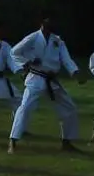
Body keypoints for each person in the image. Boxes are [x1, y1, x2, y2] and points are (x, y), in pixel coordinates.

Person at [9, 18, 84, 153]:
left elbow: (66, 59)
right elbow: (14, 52)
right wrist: (29, 60)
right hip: (36, 78)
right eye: (46, 22)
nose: (49, 25)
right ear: (41, 24)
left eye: (51, 23)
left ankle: (66, 142)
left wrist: (75, 72)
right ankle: (13, 141)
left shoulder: (58, 41)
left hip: (52, 80)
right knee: (25, 108)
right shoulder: (33, 37)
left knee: (70, 108)